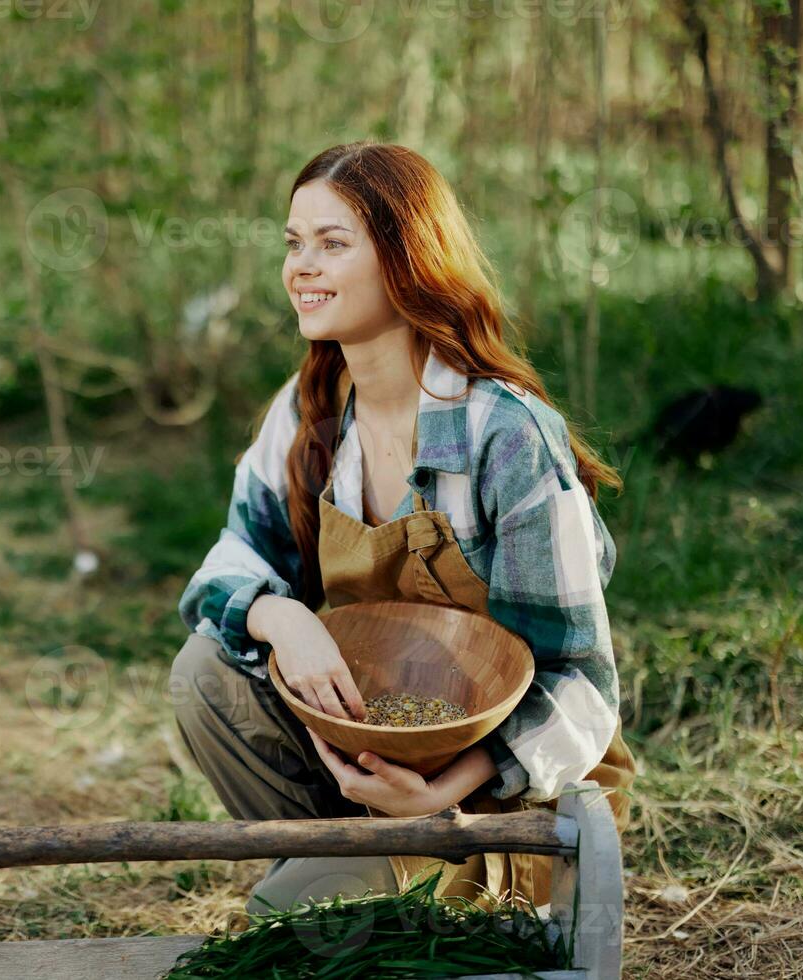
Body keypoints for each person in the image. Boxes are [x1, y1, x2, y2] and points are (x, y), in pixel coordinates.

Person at [168, 140, 637, 919]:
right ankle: (353, 873)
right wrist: (280, 615)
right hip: (374, 758)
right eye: (293, 243)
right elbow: (226, 563)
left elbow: (581, 686)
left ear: (406, 259)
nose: (300, 267)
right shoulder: (309, 412)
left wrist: (438, 796)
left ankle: (452, 900)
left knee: (288, 922)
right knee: (204, 676)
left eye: (332, 244)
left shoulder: (505, 436)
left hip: (509, 803)